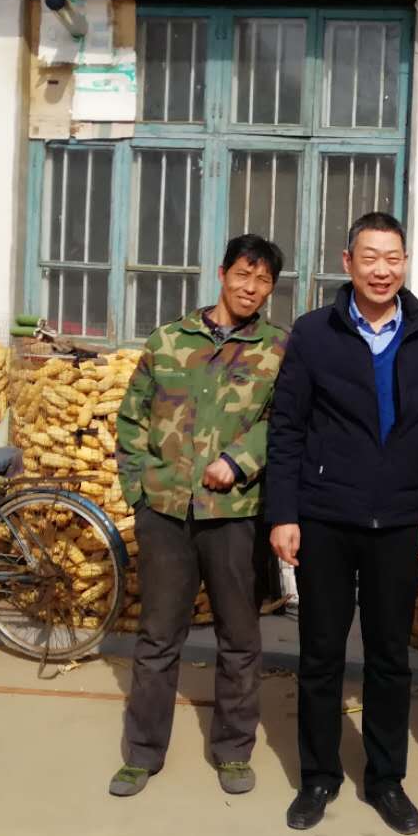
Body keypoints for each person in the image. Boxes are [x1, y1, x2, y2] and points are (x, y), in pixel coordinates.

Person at [265, 211, 418, 836]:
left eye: (393, 258)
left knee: (389, 657)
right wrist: (284, 513)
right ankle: (318, 777)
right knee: (320, 653)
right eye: (369, 257)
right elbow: (287, 427)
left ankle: (386, 779)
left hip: (400, 520)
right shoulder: (314, 332)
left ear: (405, 264)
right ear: (347, 263)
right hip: (325, 516)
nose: (382, 269)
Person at [108, 233, 289, 799]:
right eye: (243, 274)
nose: (251, 288)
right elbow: (132, 418)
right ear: (222, 274)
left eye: (263, 280)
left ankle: (233, 750)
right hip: (165, 512)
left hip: (235, 515)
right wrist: (138, 490)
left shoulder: (278, 350)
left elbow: (284, 423)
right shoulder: (169, 341)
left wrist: (239, 461)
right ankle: (142, 753)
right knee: (158, 637)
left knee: (240, 637)